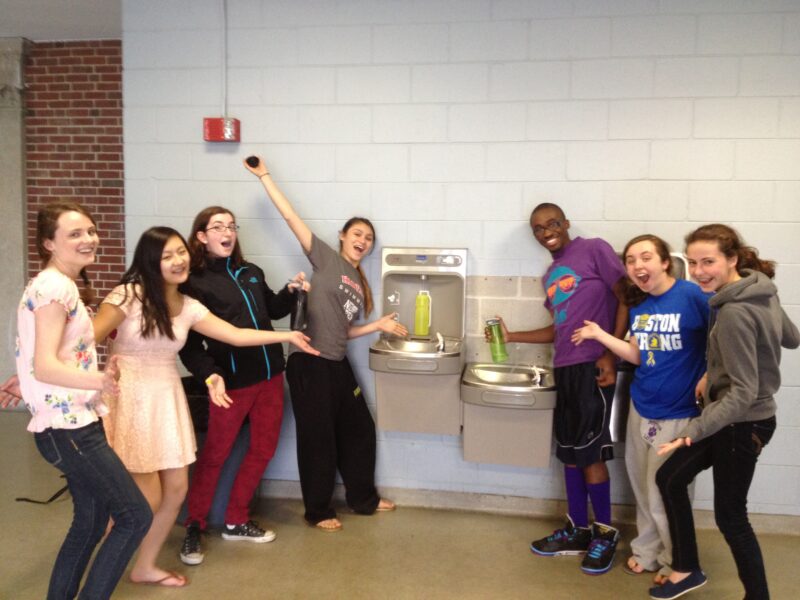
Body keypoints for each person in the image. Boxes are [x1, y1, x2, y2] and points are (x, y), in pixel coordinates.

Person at [91, 226, 318, 587]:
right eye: (167, 256)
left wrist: (287, 335)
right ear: (150, 261)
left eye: (180, 252)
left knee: (177, 489)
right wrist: (85, 375)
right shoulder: (128, 295)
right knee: (143, 499)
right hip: (131, 397)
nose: (178, 260)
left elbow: (237, 334)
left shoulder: (189, 305)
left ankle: (145, 565)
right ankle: (96, 564)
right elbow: (87, 337)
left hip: (165, 397)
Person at [244, 155, 408, 532]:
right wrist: (265, 175)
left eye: (368, 239)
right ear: (342, 236)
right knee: (318, 439)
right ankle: (318, 510)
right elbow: (290, 217)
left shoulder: (358, 282)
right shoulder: (326, 259)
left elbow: (342, 331)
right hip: (309, 361)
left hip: (336, 362)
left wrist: (375, 325)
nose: (363, 241)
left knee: (359, 430)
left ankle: (362, 498)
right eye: (357, 235)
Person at [7, 202, 153, 599]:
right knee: (135, 516)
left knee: (89, 523)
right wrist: (99, 379)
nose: (88, 239)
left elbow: (46, 358)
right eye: (75, 234)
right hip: (69, 429)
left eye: (90, 230)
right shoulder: (56, 287)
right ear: (49, 243)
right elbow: (46, 365)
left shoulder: (54, 285)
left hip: (69, 422)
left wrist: (27, 381)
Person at [652, 224, 799, 600]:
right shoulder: (758, 289)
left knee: (731, 517)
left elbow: (744, 392)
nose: (699, 271)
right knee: (670, 477)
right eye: (694, 262)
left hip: (740, 423)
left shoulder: (733, 310)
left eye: (709, 262)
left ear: (732, 259)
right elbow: (792, 338)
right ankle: (685, 570)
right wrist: (712, 372)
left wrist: (693, 430)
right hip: (739, 417)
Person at [490, 202, 627, 575]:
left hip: (593, 367)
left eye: (552, 223)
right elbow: (558, 330)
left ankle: (604, 533)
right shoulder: (551, 275)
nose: (546, 231)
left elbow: (625, 296)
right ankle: (578, 530)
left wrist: (610, 354)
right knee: (569, 453)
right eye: (538, 228)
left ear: (565, 223)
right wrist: (513, 336)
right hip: (564, 369)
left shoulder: (594, 249)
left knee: (591, 453)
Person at [571, 235, 710, 586]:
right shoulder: (641, 305)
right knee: (642, 491)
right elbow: (635, 355)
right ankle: (648, 552)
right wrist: (600, 335)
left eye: (645, 257)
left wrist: (709, 375)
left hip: (678, 413)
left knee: (665, 494)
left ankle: (677, 560)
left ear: (665, 262)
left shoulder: (693, 297)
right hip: (641, 407)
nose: (637, 266)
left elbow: (722, 340)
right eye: (630, 260)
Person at [177, 206, 308, 565]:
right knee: (215, 456)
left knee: (262, 450)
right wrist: (209, 374)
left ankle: (236, 519)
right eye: (218, 226)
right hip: (230, 385)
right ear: (202, 236)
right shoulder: (194, 283)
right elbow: (189, 347)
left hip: (270, 377)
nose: (228, 231)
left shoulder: (251, 272)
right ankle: (194, 525)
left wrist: (291, 291)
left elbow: (271, 311)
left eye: (232, 225)